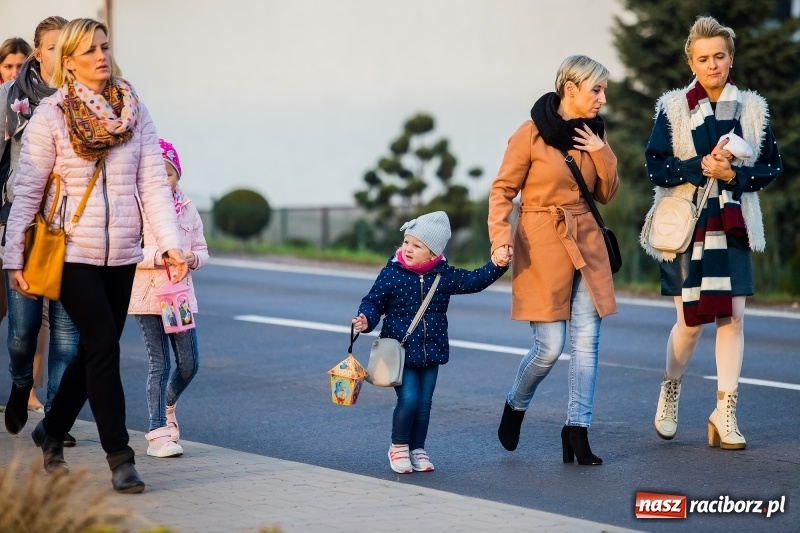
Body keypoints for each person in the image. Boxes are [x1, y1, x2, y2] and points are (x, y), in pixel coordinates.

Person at [3, 18, 187, 493]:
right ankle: (120, 458)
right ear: (68, 61)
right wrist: (13, 257)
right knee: (104, 345)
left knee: (91, 352)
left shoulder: (135, 111)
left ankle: (51, 430)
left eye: (104, 47)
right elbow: (27, 192)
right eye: (88, 50)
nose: (101, 56)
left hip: (123, 250)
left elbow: (152, 184)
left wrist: (170, 244)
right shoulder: (51, 116)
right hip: (71, 250)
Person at [640, 16, 781, 450]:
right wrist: (701, 166)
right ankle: (671, 388)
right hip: (686, 226)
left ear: (731, 57)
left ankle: (725, 411)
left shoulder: (752, 108)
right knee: (689, 323)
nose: (713, 64)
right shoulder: (672, 108)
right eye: (704, 58)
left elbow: (770, 167)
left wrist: (733, 176)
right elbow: (656, 166)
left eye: (720, 56)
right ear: (691, 61)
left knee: (733, 318)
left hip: (733, 223)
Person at [489, 55, 619, 465]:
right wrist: (498, 241)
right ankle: (515, 403)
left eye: (603, 90)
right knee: (550, 346)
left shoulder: (593, 136)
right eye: (595, 90)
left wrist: (601, 152)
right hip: (542, 244)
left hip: (586, 243)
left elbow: (606, 192)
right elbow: (502, 192)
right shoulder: (529, 134)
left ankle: (577, 430)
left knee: (587, 342)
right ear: (570, 89)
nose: (602, 98)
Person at [352, 211, 508, 473]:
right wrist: (367, 318)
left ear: (434, 253)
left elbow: (474, 281)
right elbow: (373, 300)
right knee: (410, 399)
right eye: (406, 242)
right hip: (399, 351)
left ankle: (417, 449)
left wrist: (497, 265)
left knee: (424, 404)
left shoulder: (443, 275)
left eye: (417, 246)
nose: (408, 249)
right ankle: (398, 446)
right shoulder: (392, 273)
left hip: (431, 350)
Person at [1, 16, 80, 447]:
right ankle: (18, 385)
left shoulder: (84, 99)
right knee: (22, 333)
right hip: (25, 225)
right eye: (54, 47)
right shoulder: (9, 98)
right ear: (38, 52)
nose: (63, 53)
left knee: (68, 335)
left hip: (73, 228)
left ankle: (55, 419)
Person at [128, 138, 207, 459]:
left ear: (178, 175)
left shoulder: (187, 207)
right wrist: (163, 255)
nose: (164, 179)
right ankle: (158, 433)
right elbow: (128, 251)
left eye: (169, 173)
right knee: (158, 364)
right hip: (147, 296)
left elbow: (202, 250)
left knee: (189, 364)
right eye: (157, 173)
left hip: (178, 298)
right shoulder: (136, 205)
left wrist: (191, 259)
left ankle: (168, 403)